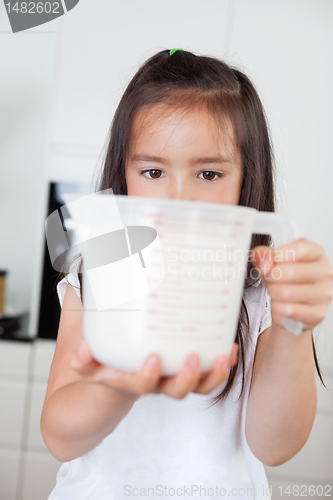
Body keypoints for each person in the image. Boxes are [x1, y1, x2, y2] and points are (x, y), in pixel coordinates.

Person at [41, 49, 333, 500]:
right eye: (154, 171)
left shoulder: (261, 290)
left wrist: (296, 327)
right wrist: (119, 386)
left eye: (209, 173)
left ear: (246, 181)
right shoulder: (96, 278)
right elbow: (60, 439)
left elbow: (274, 447)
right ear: (124, 177)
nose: (178, 200)